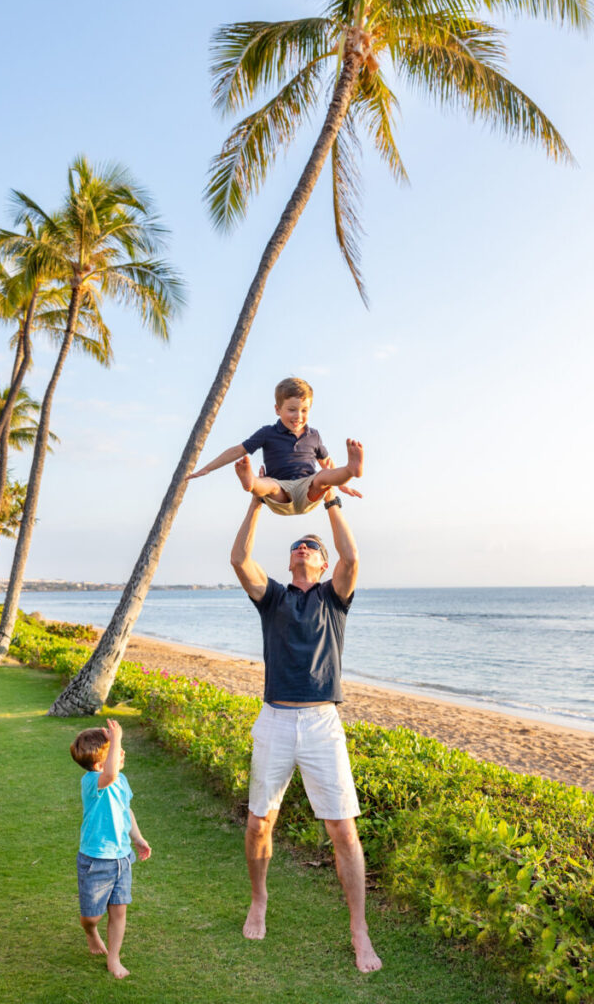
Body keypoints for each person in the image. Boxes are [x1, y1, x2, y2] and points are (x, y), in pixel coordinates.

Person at [230, 465, 382, 973]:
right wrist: (257, 497)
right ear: (291, 559)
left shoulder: (333, 598)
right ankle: (259, 900)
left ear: (321, 563)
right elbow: (239, 559)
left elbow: (352, 557)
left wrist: (332, 498)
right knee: (259, 822)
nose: (303, 548)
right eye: (298, 544)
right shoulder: (273, 597)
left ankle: (359, 931)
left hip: (321, 724)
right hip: (275, 719)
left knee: (344, 831)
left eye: (311, 547)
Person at [188, 376, 363, 515]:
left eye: (304, 410)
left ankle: (350, 470)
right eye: (292, 410)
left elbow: (327, 464)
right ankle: (251, 483)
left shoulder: (314, 435)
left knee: (322, 477)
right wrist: (207, 469)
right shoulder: (267, 433)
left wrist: (342, 483)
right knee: (269, 485)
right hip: (281, 492)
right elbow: (237, 450)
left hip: (308, 490)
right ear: (277, 409)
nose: (298, 416)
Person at [70, 718, 151, 979]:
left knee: (119, 910)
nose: (121, 751)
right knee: (92, 916)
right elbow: (110, 774)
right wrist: (116, 738)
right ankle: (90, 931)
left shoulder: (121, 780)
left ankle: (114, 958)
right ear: (98, 766)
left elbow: (126, 810)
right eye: (115, 750)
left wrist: (138, 838)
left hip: (122, 859)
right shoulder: (92, 782)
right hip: (96, 861)